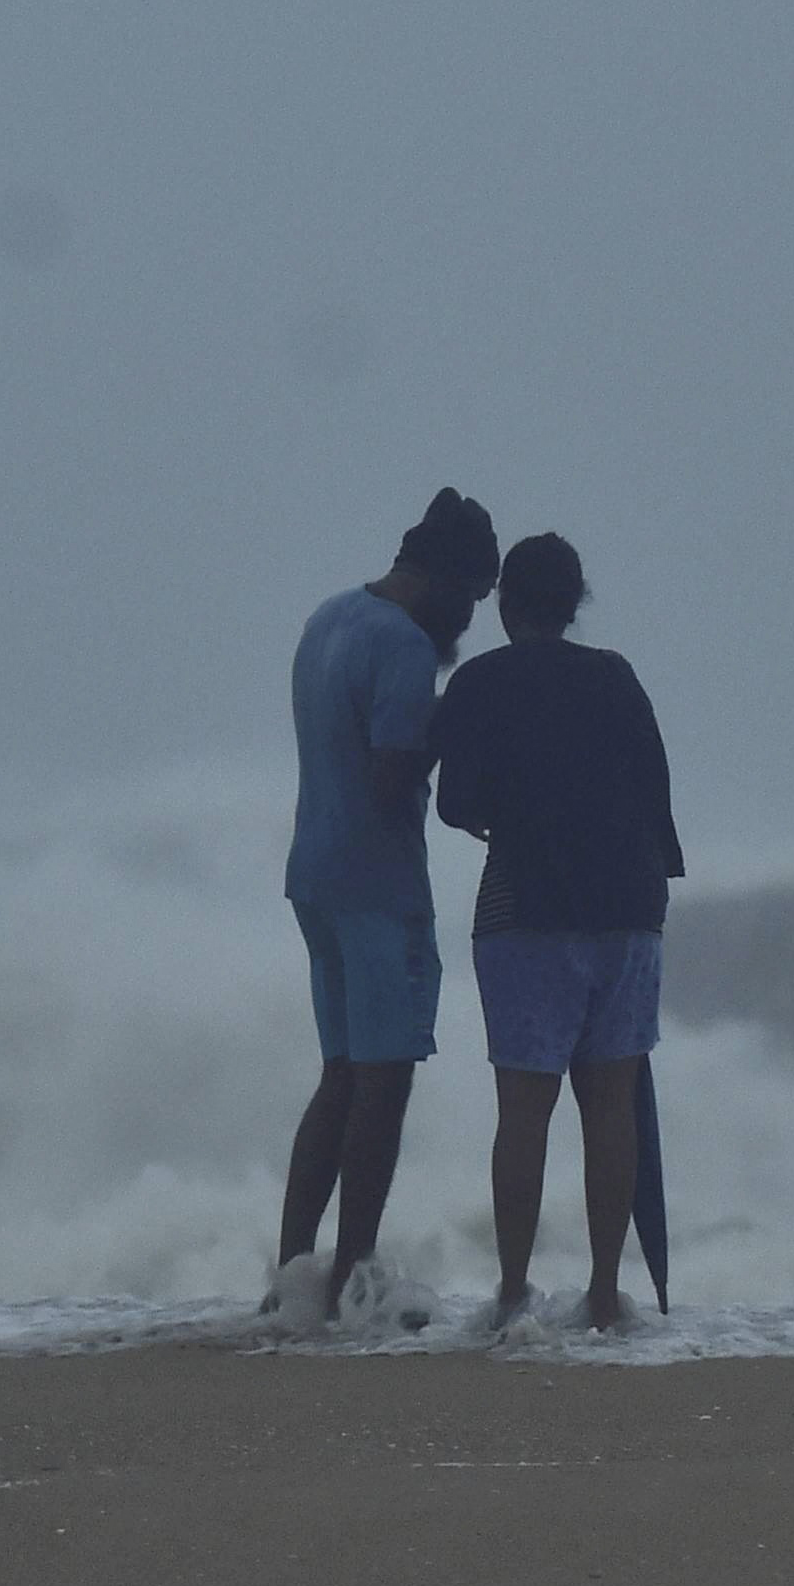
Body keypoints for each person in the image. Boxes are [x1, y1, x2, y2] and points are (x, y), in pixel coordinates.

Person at [429, 532, 683, 1330]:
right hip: (627, 911)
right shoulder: (616, 678)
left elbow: (455, 802)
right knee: (611, 1104)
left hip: (526, 909)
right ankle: (605, 1292)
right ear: (574, 605)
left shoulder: (480, 681)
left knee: (525, 1107)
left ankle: (511, 1293)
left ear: (505, 605)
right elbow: (654, 790)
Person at [277, 487, 502, 1318]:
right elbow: (390, 774)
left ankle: (294, 1270)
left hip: (314, 870)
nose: (470, 620)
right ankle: (352, 1277)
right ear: (443, 580)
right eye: (473, 600)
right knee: (383, 1079)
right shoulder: (404, 647)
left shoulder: (328, 619)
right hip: (377, 882)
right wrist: (460, 734)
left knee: (339, 1072)